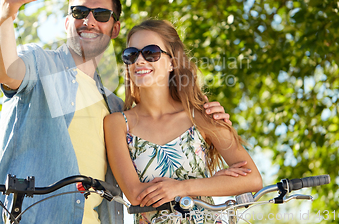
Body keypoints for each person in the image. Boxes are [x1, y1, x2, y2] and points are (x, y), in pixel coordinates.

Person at [0, 0, 233, 224]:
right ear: (67, 22)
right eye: (79, 13)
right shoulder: (40, 65)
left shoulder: (115, 107)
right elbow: (6, 71)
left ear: (115, 29)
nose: (89, 21)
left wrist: (208, 121)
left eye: (101, 15)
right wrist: (6, 15)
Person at [104, 19, 263, 224]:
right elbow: (136, 194)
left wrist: (183, 188)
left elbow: (252, 179)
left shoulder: (202, 116)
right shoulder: (117, 123)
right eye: (131, 55)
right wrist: (212, 183)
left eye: (151, 52)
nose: (140, 61)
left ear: (173, 62)